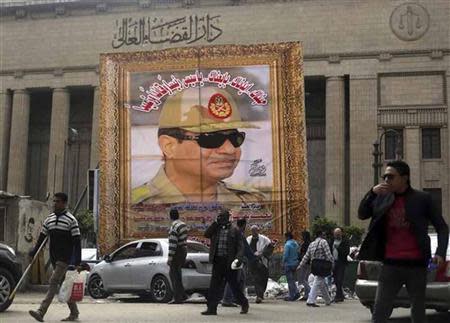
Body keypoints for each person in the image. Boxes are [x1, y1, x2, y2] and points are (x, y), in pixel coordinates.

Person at [131, 86, 266, 205]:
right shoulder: (132, 209)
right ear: (169, 146)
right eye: (211, 139)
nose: (230, 149)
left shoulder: (252, 202)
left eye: (235, 138)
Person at [358, 160, 448, 323]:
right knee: (380, 312)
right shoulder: (382, 198)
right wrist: (372, 192)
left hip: (417, 266)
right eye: (384, 176)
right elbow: (362, 214)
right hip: (390, 265)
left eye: (391, 177)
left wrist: (440, 253)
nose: (386, 180)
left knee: (418, 312)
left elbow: (442, 227)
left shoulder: (422, 198)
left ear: (404, 178)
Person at [28, 192, 83, 322]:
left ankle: (41, 311)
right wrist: (34, 252)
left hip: (65, 258)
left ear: (64, 203)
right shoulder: (50, 219)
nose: (55, 203)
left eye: (57, 201)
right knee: (65, 285)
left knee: (53, 281)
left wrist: (77, 261)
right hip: (54, 257)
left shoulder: (71, 220)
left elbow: (77, 242)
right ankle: (74, 313)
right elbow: (42, 238)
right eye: (54, 201)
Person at [201, 209, 249, 316]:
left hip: (229, 262)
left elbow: (240, 247)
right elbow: (206, 234)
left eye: (222, 217)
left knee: (234, 286)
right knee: (214, 286)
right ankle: (211, 309)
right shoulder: (216, 228)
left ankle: (244, 303)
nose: (220, 218)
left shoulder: (234, 230)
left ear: (227, 218)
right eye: (219, 217)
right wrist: (215, 223)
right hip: (217, 261)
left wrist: (238, 259)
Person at [222, 217, 254, 307]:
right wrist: (253, 258)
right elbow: (245, 248)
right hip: (237, 260)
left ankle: (237, 298)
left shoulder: (233, 231)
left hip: (234, 259)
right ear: (244, 225)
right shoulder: (239, 233)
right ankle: (227, 299)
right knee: (233, 280)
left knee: (241, 279)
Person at [298, 230, 333, 307]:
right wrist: (332, 263)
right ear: (321, 235)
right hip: (323, 265)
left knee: (321, 283)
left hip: (314, 265)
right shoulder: (323, 242)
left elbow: (306, 256)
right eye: (323, 234)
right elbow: (328, 254)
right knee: (318, 281)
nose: (325, 236)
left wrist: (300, 265)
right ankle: (311, 300)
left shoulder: (312, 244)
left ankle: (328, 300)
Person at [167, 208, 189, 304]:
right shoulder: (183, 225)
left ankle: (177, 297)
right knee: (178, 274)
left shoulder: (174, 227)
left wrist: (170, 258)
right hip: (183, 250)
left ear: (170, 216)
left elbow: (173, 244)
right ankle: (182, 295)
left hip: (177, 251)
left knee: (173, 274)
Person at [247, 224, 272, 303]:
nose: (254, 232)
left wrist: (263, 254)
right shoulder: (248, 239)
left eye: (255, 230)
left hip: (262, 261)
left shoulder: (264, 239)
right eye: (252, 231)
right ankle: (259, 296)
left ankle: (261, 294)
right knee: (256, 278)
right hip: (252, 262)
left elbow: (270, 248)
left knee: (264, 278)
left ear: (258, 231)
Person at [330, 227, 349, 303]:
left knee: (339, 279)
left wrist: (338, 248)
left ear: (341, 234)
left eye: (338, 234)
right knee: (335, 279)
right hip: (333, 262)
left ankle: (338, 296)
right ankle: (340, 296)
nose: (337, 235)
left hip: (341, 262)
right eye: (335, 234)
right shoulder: (332, 241)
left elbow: (346, 252)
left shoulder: (345, 241)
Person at [282, 231, 300, 301]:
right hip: (295, 263)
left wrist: (283, 263)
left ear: (288, 237)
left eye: (285, 237)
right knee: (293, 279)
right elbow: (298, 253)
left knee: (290, 280)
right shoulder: (296, 243)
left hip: (288, 264)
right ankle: (295, 292)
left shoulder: (287, 245)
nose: (284, 239)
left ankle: (293, 295)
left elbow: (285, 255)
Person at [297, 230, 311, 301]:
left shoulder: (305, 244)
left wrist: (301, 262)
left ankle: (310, 292)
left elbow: (303, 254)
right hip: (307, 263)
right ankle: (306, 295)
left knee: (303, 279)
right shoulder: (308, 243)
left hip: (305, 263)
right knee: (305, 279)